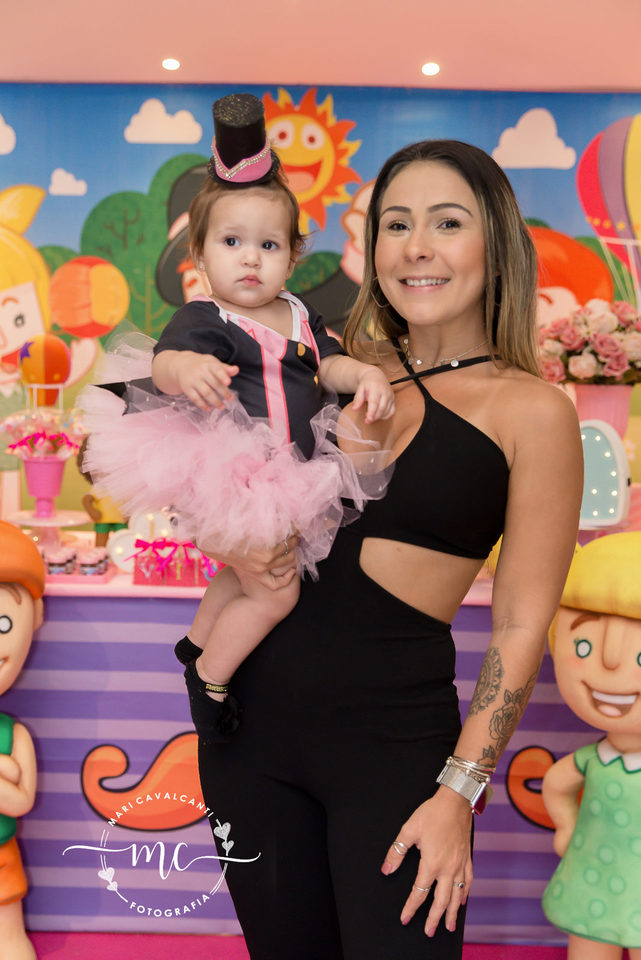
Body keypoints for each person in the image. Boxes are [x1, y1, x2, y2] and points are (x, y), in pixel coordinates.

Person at [192, 138, 584, 960]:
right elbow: (221, 489)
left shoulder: (532, 411)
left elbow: (519, 626)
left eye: (447, 223)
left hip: (395, 757)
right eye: (395, 224)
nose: (416, 247)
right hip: (249, 740)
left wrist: (458, 793)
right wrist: (228, 544)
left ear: (496, 243)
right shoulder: (324, 368)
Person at [82, 94, 394, 741]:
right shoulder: (208, 317)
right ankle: (211, 678)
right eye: (231, 242)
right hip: (237, 470)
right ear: (200, 256)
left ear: (293, 255)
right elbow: (166, 362)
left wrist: (362, 374)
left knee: (246, 575)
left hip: (293, 472)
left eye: (268, 244)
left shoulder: (300, 314)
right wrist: (186, 370)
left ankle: (197, 643)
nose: (250, 258)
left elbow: (328, 364)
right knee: (276, 589)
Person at [542, 532, 641, 960]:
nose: (610, 665)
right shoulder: (593, 760)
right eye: (583, 646)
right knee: (589, 943)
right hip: (593, 878)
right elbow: (555, 783)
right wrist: (566, 825)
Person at [0, 520, 45, 960]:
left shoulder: (13, 735)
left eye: (2, 622)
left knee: (9, 939)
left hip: (1, 857)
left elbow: (19, 803)